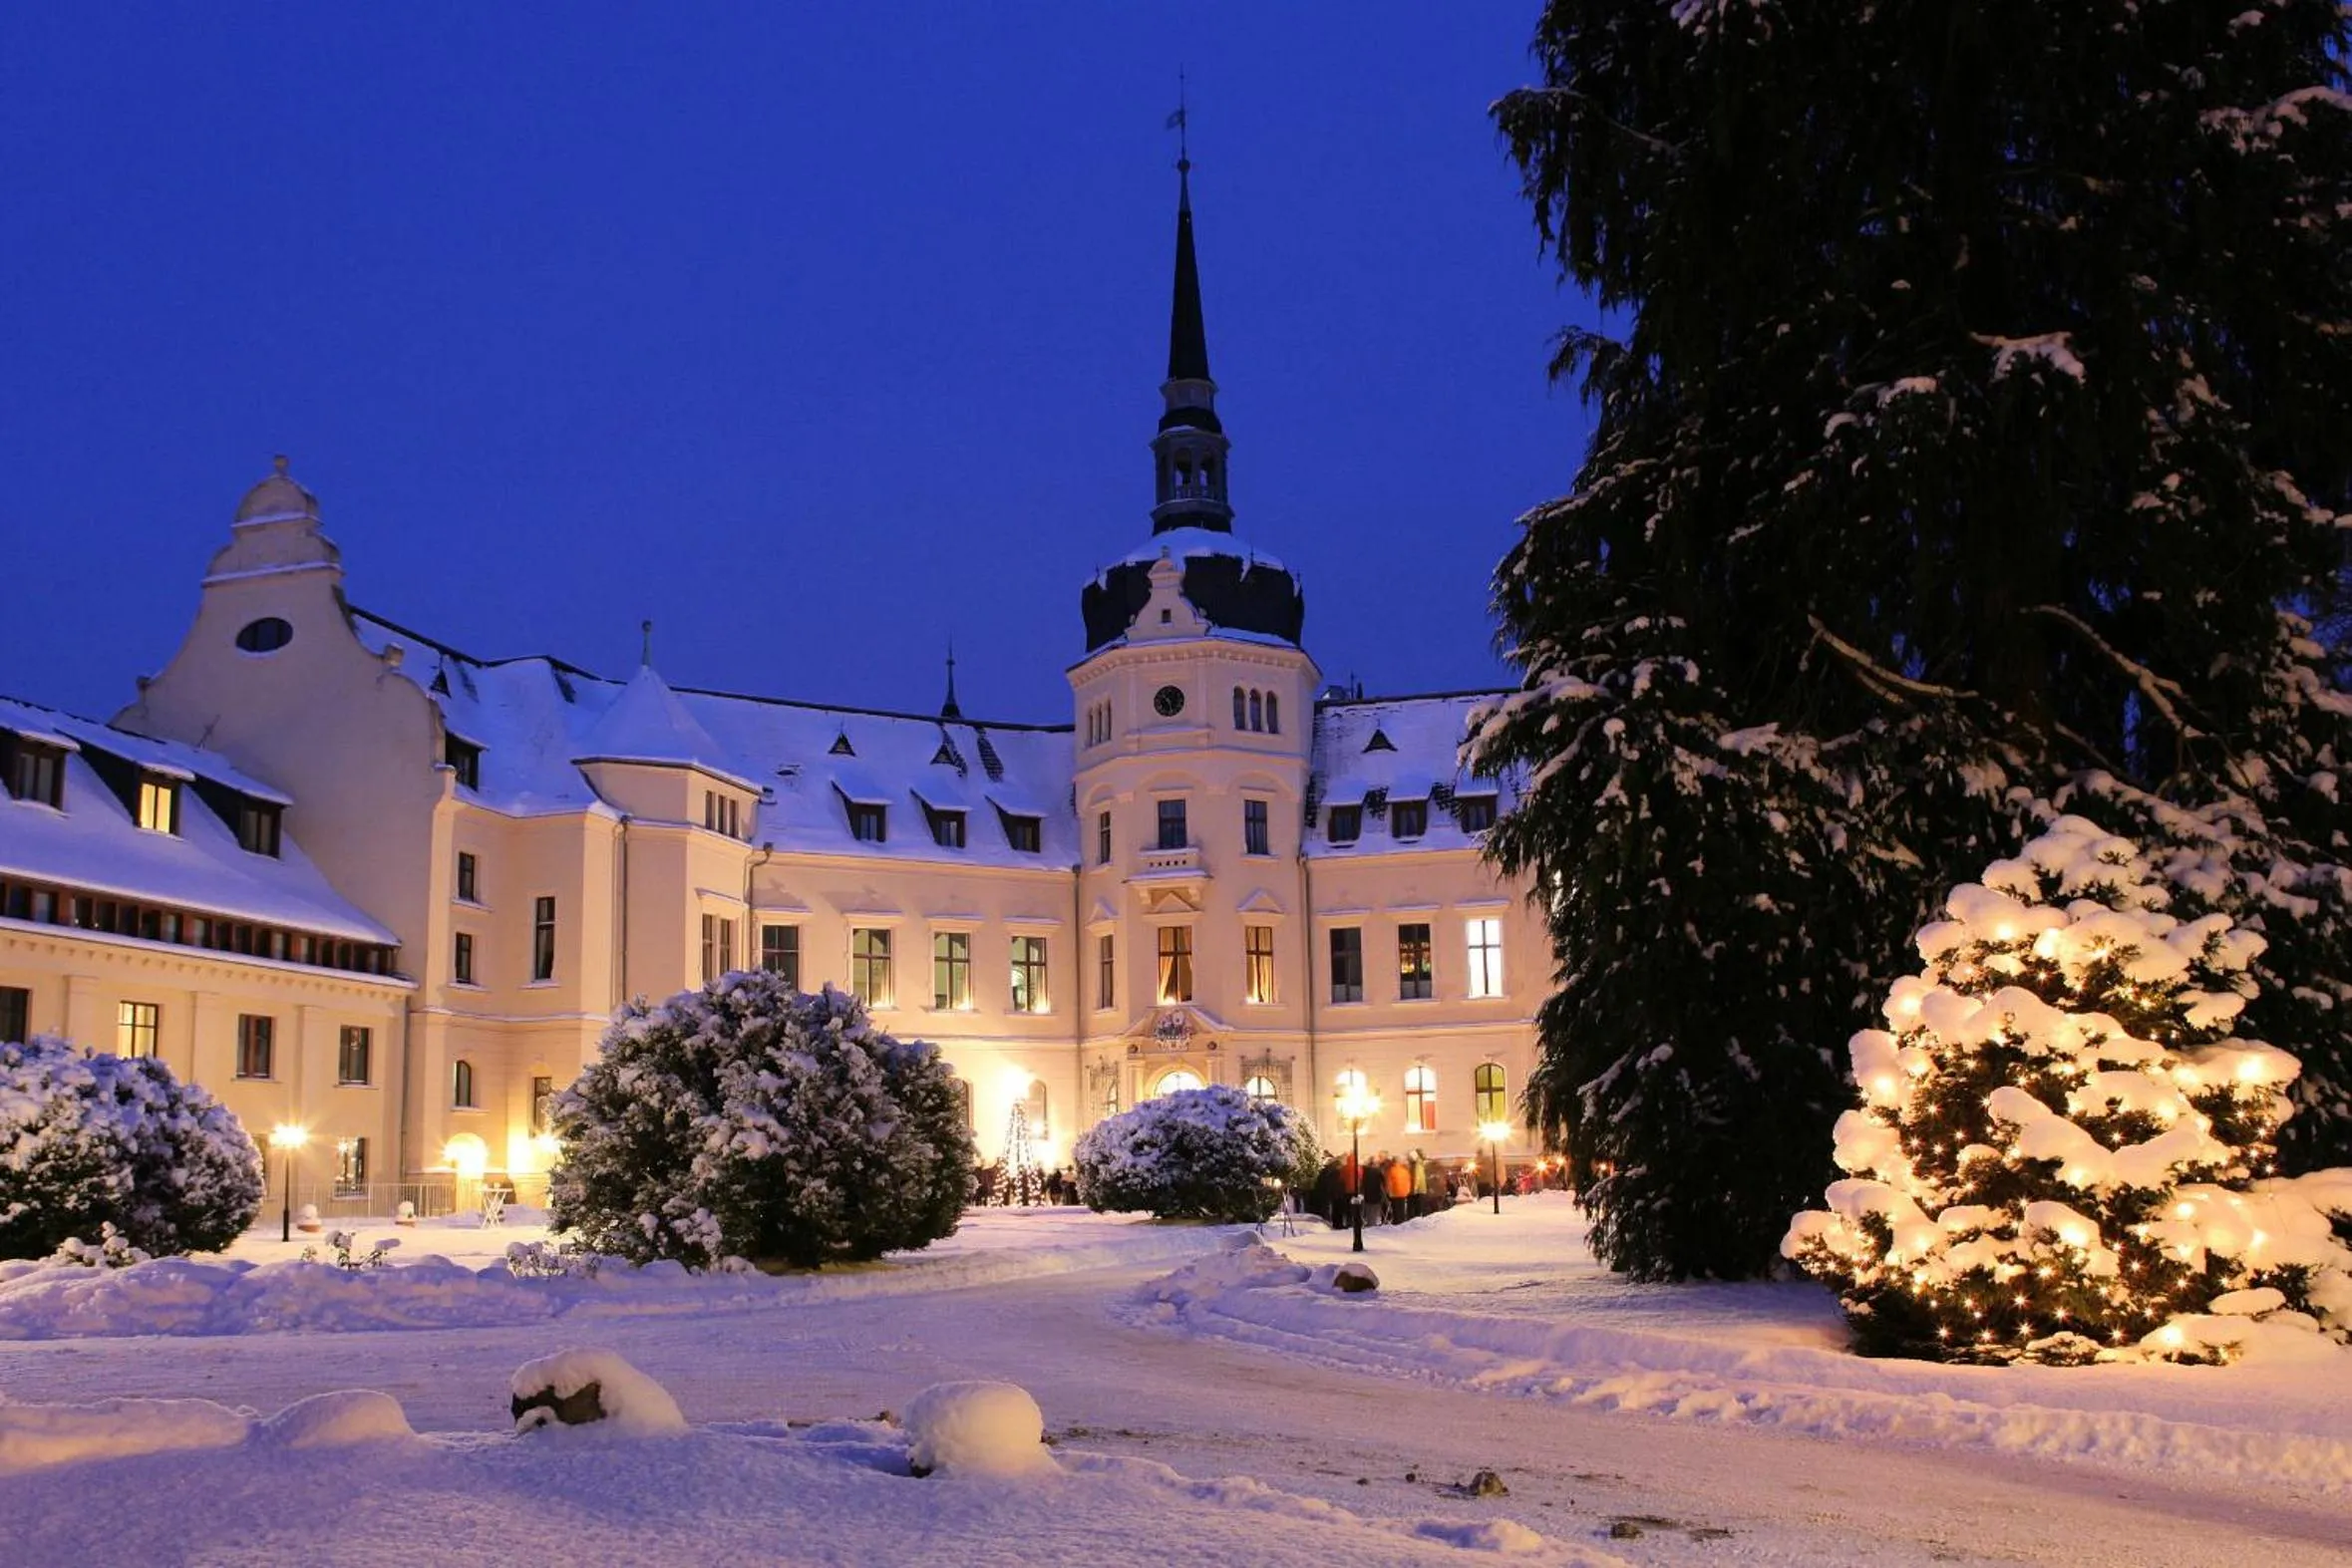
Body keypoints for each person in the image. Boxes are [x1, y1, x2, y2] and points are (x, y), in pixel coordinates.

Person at [1384, 1149, 1414, 1225]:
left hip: (1394, 1193)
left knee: (1396, 1210)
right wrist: (1407, 1191)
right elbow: (1409, 1181)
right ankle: (1402, 1223)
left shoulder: (1391, 1170)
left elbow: (1389, 1183)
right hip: (1403, 1193)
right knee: (1402, 1210)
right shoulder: (1405, 1170)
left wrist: (1388, 1192)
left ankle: (1397, 1223)